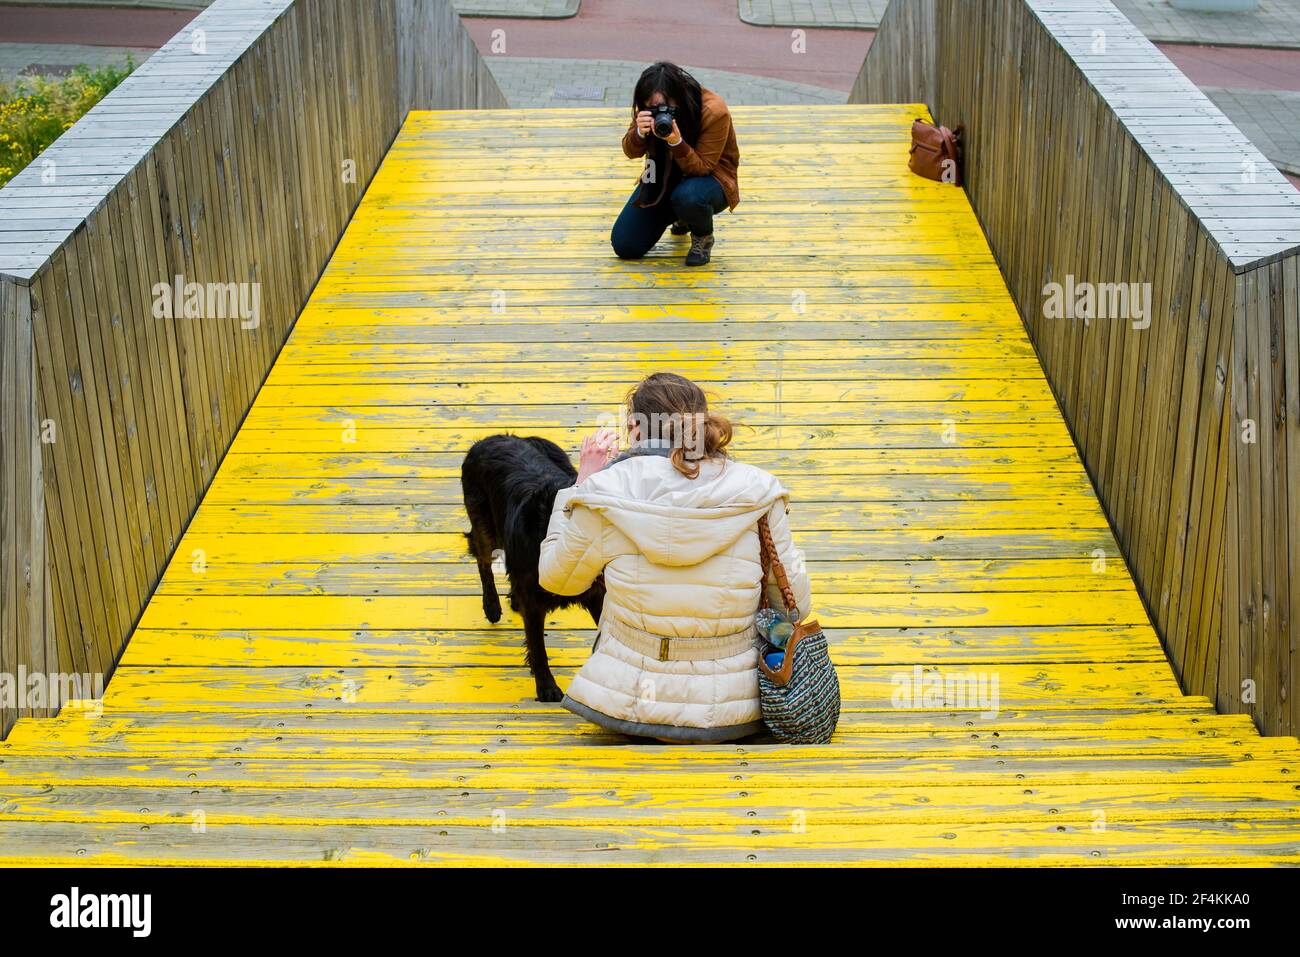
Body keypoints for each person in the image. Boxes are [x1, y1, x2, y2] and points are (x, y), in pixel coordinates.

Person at [538, 372, 812, 743]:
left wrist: (576, 489)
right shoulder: (759, 491)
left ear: (635, 427)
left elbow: (557, 580)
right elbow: (795, 606)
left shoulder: (603, 491)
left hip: (627, 703)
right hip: (737, 707)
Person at [610, 62, 740, 267]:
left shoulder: (714, 110)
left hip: (711, 182)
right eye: (650, 107)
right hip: (662, 180)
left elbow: (703, 167)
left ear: (678, 96)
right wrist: (638, 134)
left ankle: (702, 235)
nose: (657, 112)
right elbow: (630, 151)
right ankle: (679, 214)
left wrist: (677, 142)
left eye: (663, 107)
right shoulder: (647, 108)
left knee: (688, 197)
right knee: (626, 245)